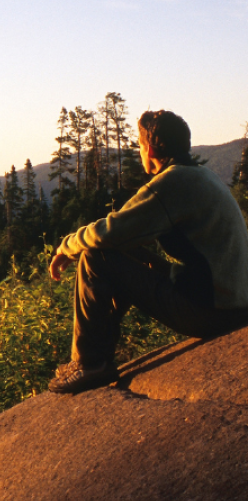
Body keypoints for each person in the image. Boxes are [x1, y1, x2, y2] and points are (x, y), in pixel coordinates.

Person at [48, 109, 248, 394]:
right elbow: (125, 234)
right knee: (121, 252)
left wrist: (66, 247)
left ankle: (91, 363)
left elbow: (110, 230)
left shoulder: (172, 183)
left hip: (212, 310)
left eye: (140, 145)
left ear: (150, 148)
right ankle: (99, 353)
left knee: (95, 256)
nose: (140, 151)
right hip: (234, 301)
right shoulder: (201, 175)